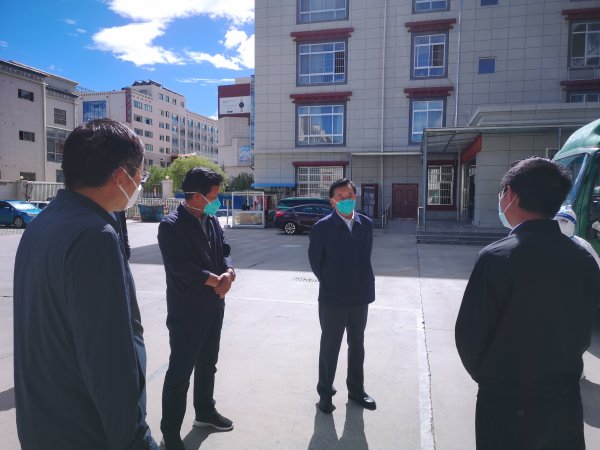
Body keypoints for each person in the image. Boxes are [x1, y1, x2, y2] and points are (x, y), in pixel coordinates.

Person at [13, 118, 158, 449]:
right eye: (140, 174)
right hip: (86, 431)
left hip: (43, 425)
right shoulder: (95, 236)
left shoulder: (42, 224)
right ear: (120, 176)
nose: (140, 182)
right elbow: (108, 360)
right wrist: (138, 441)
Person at [455, 157, 600, 450]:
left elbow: (470, 336)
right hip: (564, 399)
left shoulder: (497, 257)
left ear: (511, 194)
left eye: (502, 192)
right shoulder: (584, 257)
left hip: (507, 401)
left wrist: (491, 378)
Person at [158, 167, 235, 450]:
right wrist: (215, 280)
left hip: (214, 304)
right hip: (187, 310)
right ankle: (170, 432)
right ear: (197, 196)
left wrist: (229, 273)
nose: (217, 200)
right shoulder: (171, 225)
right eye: (214, 195)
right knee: (180, 371)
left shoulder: (210, 219)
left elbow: (224, 250)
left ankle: (204, 412)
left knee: (207, 364)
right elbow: (179, 266)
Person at [308, 178, 377, 414]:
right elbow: (316, 262)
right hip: (333, 298)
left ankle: (356, 391)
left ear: (355, 197)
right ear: (332, 201)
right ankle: (325, 394)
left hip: (360, 296)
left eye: (349, 196)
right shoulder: (322, 227)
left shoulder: (366, 224)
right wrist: (332, 282)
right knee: (330, 347)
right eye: (340, 197)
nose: (346, 200)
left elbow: (365, 257)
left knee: (357, 345)